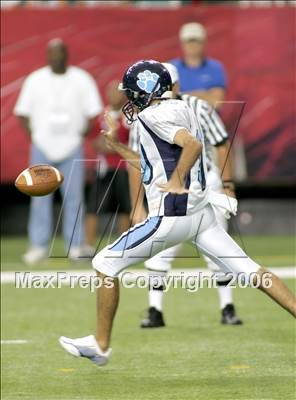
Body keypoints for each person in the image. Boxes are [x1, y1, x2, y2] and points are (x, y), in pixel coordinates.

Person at [59, 60, 296, 367]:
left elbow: (193, 145)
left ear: (146, 91)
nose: (129, 98)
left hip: (172, 216)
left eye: (132, 92)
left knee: (103, 263)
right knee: (251, 270)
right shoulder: (181, 108)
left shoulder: (155, 116)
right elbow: (151, 163)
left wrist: (174, 180)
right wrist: (117, 146)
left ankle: (101, 345)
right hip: (201, 215)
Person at [128, 63, 242, 327]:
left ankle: (227, 305)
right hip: (166, 188)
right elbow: (137, 161)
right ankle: (155, 309)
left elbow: (220, 144)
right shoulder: (146, 114)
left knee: (217, 248)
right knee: (160, 247)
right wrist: (137, 205)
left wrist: (227, 184)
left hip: (198, 186)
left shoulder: (196, 106)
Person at [14, 38, 103, 264]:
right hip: (42, 145)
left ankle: (75, 245)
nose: (56, 57)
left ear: (66, 54)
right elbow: (22, 112)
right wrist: (34, 136)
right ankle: (38, 245)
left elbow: (93, 112)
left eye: (60, 53)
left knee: (74, 197)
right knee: (39, 197)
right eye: (52, 53)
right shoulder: (35, 80)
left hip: (71, 145)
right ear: (47, 55)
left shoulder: (81, 79)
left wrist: (80, 134)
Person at [85, 80, 131, 250]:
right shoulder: (102, 115)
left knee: (125, 209)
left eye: (117, 92)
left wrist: (113, 145)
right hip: (104, 169)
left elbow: (131, 141)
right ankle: (88, 246)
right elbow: (96, 141)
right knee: (93, 207)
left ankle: (124, 245)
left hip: (125, 168)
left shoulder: (130, 115)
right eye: (111, 92)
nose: (114, 96)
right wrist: (110, 145)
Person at [171, 22, 227, 108]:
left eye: (196, 41)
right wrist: (204, 94)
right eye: (189, 41)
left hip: (207, 120)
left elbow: (216, 102)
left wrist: (180, 96)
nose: (192, 45)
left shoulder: (215, 68)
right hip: (179, 120)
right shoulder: (171, 68)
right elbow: (168, 102)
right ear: (182, 43)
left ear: (204, 43)